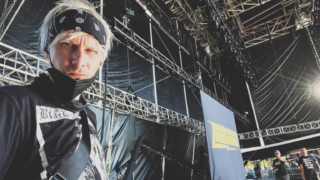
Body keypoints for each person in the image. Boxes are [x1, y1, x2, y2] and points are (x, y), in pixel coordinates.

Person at [0, 0, 114, 179]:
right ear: (47, 49)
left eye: (91, 50)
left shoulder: (89, 116)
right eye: (68, 44)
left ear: (100, 60)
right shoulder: (12, 105)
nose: (79, 61)